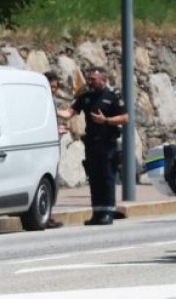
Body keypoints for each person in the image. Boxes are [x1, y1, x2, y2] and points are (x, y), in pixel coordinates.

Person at [57, 66, 128, 226]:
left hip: (107, 144)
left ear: (103, 80)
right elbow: (69, 113)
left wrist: (106, 121)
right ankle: (97, 213)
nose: (89, 81)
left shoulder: (113, 96)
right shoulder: (86, 97)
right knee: (94, 179)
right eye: (89, 79)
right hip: (91, 144)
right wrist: (52, 109)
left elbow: (125, 118)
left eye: (93, 79)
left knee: (107, 179)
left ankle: (108, 213)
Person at [44, 72, 66, 229]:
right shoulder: (40, 100)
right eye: (51, 87)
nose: (54, 90)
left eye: (55, 88)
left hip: (52, 145)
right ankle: (45, 213)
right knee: (48, 180)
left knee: (52, 180)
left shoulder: (50, 100)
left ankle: (47, 213)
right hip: (43, 146)